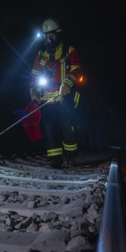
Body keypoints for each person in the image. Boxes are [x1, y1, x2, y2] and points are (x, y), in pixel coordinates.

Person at [30, 18, 82, 168]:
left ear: (58, 34)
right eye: (46, 36)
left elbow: (77, 69)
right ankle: (55, 161)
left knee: (68, 127)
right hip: (47, 100)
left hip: (65, 98)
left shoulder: (68, 51)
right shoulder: (41, 54)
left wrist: (67, 83)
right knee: (48, 128)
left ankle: (70, 158)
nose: (48, 39)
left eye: (51, 35)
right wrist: (34, 92)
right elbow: (34, 74)